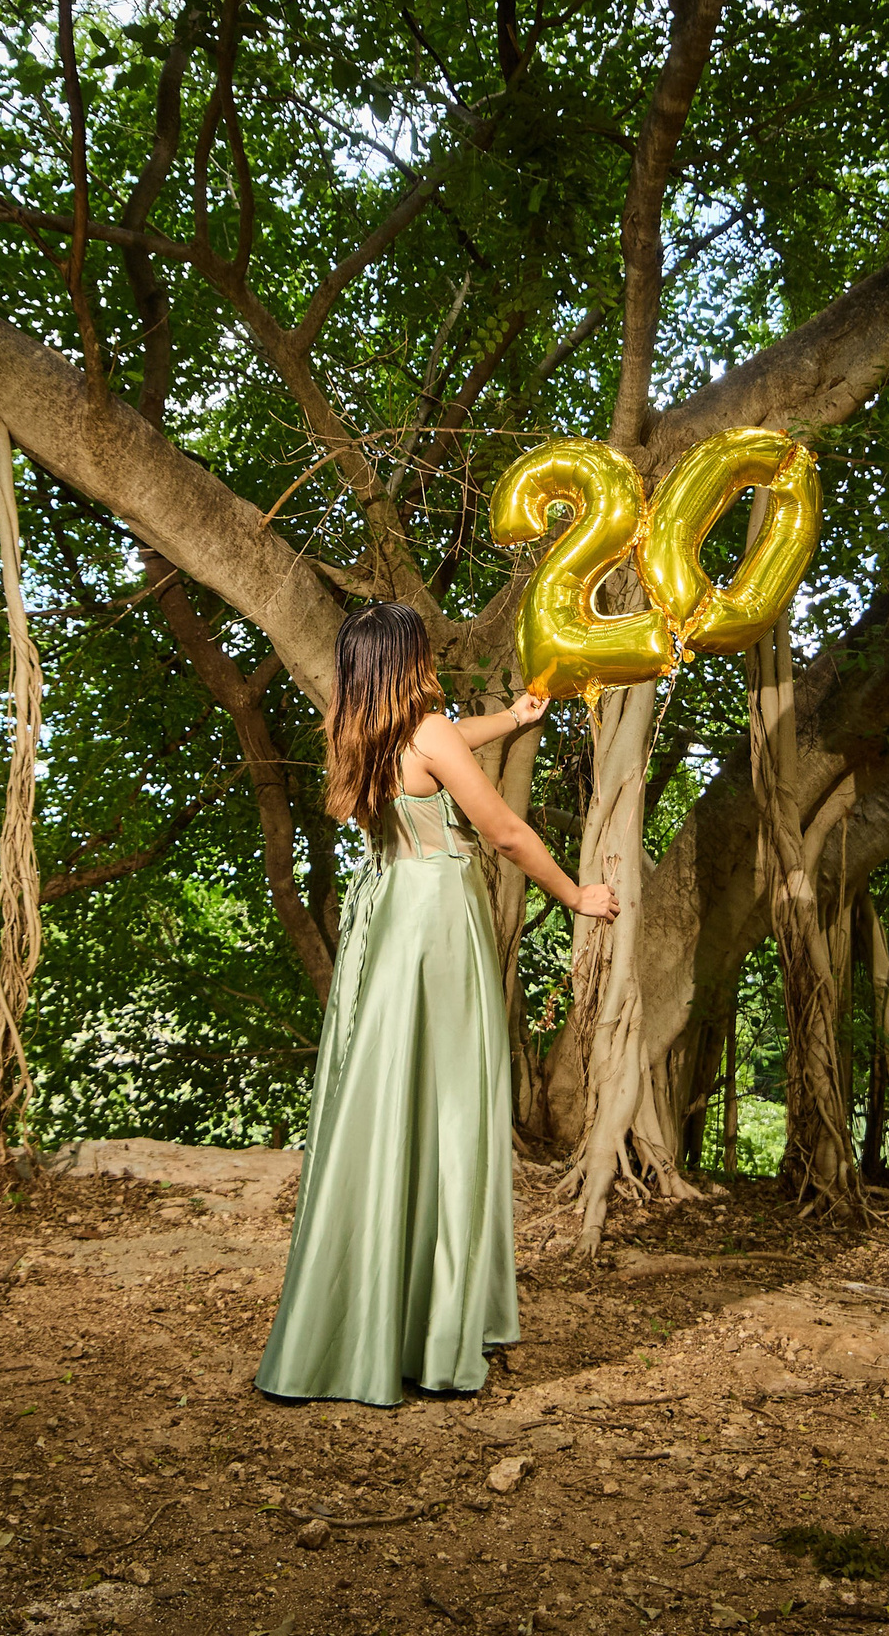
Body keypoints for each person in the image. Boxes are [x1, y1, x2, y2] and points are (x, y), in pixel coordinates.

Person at [255, 602, 619, 1407]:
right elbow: (507, 835)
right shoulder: (429, 733)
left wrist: (513, 718)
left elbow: (446, 742)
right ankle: (438, 1331)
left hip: (388, 914)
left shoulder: (357, 733)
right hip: (438, 922)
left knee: (388, 1104)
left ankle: (368, 1318)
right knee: (452, 1108)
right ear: (407, 659)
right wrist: (576, 895)